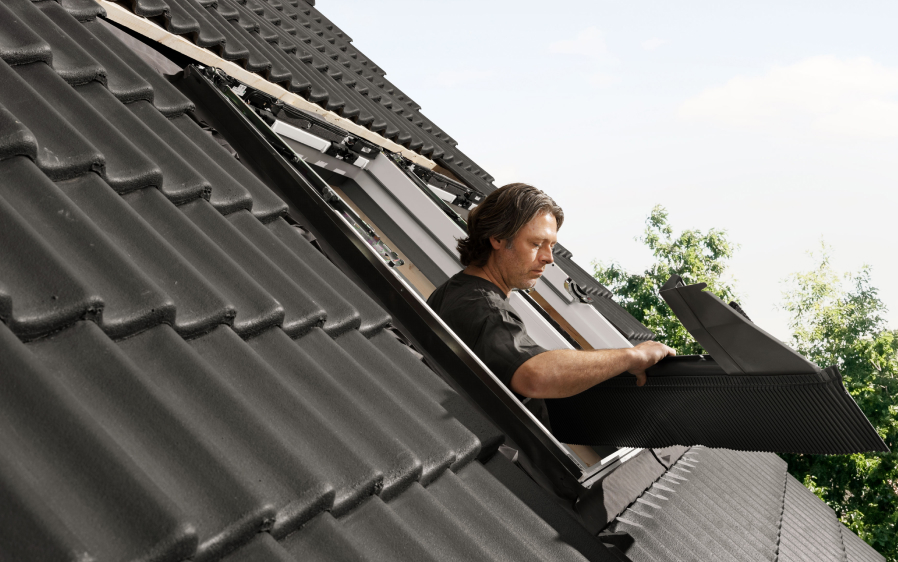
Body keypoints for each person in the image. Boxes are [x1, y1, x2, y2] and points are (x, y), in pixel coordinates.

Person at [427, 183, 675, 428]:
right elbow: (533, 375)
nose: (548, 257)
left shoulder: (455, 290)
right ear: (498, 238)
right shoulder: (483, 307)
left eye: (552, 246)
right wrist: (633, 356)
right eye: (536, 244)